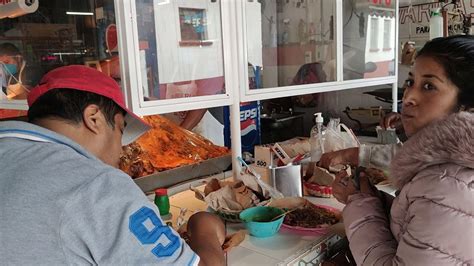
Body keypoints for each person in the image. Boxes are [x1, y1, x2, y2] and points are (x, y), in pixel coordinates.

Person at [0, 65, 225, 265]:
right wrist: (204, 229)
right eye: (119, 130)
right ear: (94, 118)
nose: (120, 151)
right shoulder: (96, 184)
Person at [331, 35, 474, 265]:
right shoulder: (446, 169)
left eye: (429, 86)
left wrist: (359, 205)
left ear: (467, 107)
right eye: (410, 82)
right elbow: (420, 225)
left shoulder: (446, 185)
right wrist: (370, 199)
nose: (409, 97)